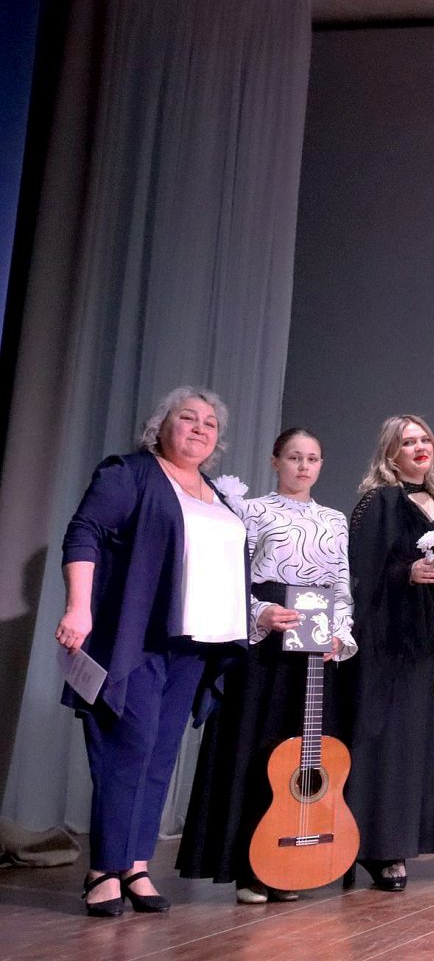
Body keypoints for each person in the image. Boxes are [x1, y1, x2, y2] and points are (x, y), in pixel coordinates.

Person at [56, 386, 250, 917]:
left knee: (161, 755)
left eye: (210, 423)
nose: (200, 428)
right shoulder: (131, 472)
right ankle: (104, 869)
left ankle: (136, 864)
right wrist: (78, 607)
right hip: (137, 638)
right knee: (129, 748)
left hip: (196, 643)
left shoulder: (215, 492)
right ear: (159, 426)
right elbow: (85, 532)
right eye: (188, 418)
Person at [177, 427, 356, 904]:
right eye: (294, 457)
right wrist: (260, 613)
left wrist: (341, 634)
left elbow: (341, 585)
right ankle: (247, 867)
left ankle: (290, 863)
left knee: (303, 751)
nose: (303, 466)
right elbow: (233, 578)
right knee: (259, 745)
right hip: (265, 642)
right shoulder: (251, 510)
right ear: (276, 461)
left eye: (312, 458)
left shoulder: (334, 519)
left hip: (314, 640)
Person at [335, 414, 434, 891]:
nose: (419, 447)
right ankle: (373, 847)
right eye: (407, 442)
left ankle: (403, 841)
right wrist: (407, 573)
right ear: (390, 453)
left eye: (425, 439)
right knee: (381, 738)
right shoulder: (379, 500)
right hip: (384, 641)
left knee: (415, 742)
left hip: (423, 641)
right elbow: (359, 570)